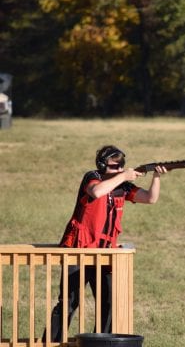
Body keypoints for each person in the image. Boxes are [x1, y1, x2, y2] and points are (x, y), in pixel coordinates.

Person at [43, 145, 167, 342]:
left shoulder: (122, 185)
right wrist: (124, 176)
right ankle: (50, 343)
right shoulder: (92, 177)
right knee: (68, 301)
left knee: (108, 303)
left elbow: (150, 199)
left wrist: (157, 176)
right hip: (79, 250)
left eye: (121, 166)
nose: (118, 169)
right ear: (102, 166)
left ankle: (99, 344)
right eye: (113, 166)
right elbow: (97, 192)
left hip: (106, 253)